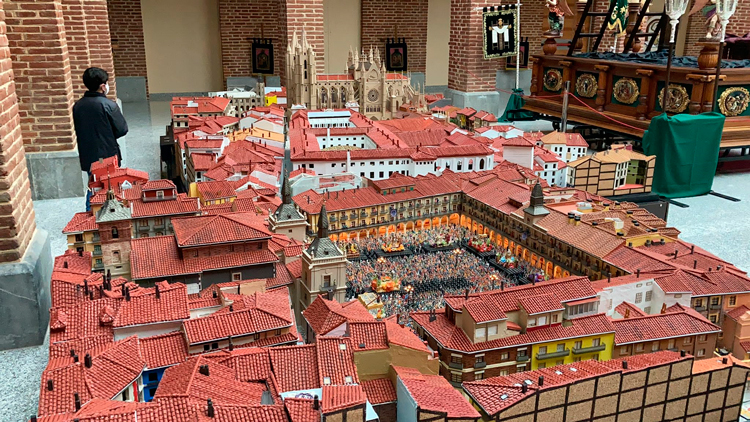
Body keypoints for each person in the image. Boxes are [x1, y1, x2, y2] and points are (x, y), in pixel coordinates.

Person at [73, 67, 128, 211]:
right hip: (108, 154)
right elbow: (122, 129)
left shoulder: (78, 106)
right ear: (103, 86)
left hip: (88, 155)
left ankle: (90, 213)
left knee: (93, 186)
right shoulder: (109, 105)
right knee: (112, 185)